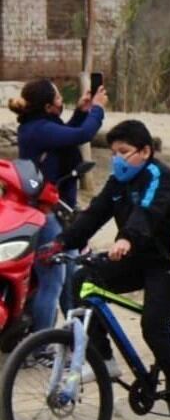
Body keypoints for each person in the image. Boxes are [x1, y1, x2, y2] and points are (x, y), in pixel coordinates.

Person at [55, 120, 170, 395]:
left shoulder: (158, 176)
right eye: (113, 153)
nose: (116, 159)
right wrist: (59, 244)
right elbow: (94, 214)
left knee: (153, 325)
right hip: (139, 259)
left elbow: (147, 211)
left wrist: (126, 239)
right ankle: (104, 359)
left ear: (145, 151)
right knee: (82, 281)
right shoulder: (119, 182)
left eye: (123, 151)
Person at [9, 79, 107, 334]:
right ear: (48, 105)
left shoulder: (42, 127)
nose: (62, 99)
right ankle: (42, 345)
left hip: (58, 213)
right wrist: (97, 109)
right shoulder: (38, 129)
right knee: (53, 280)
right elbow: (81, 135)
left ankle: (73, 339)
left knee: (69, 278)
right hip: (46, 214)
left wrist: (81, 112)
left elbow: (65, 137)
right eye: (59, 96)